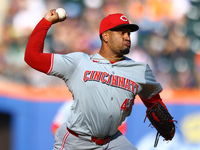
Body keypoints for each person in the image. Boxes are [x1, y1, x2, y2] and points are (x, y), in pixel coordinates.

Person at [24, 9, 170, 150]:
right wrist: (46, 22)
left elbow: (153, 102)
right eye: (121, 32)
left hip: (112, 140)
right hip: (77, 140)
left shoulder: (140, 70)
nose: (127, 37)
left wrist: (163, 117)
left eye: (128, 33)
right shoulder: (79, 62)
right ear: (105, 36)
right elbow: (32, 57)